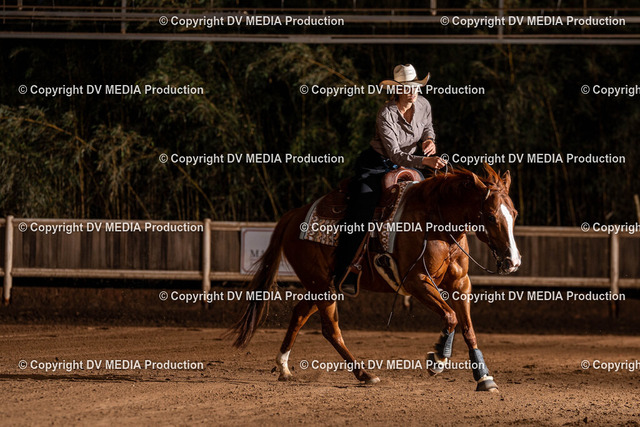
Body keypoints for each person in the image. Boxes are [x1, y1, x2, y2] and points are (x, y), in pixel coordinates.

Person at [335, 64, 447, 295]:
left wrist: (429, 140)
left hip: (408, 164)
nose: (412, 91)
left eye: (415, 86)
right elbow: (395, 154)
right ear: (397, 89)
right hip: (377, 165)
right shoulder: (386, 113)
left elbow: (428, 127)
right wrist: (425, 161)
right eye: (407, 87)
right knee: (363, 206)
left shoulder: (424, 104)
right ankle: (346, 269)